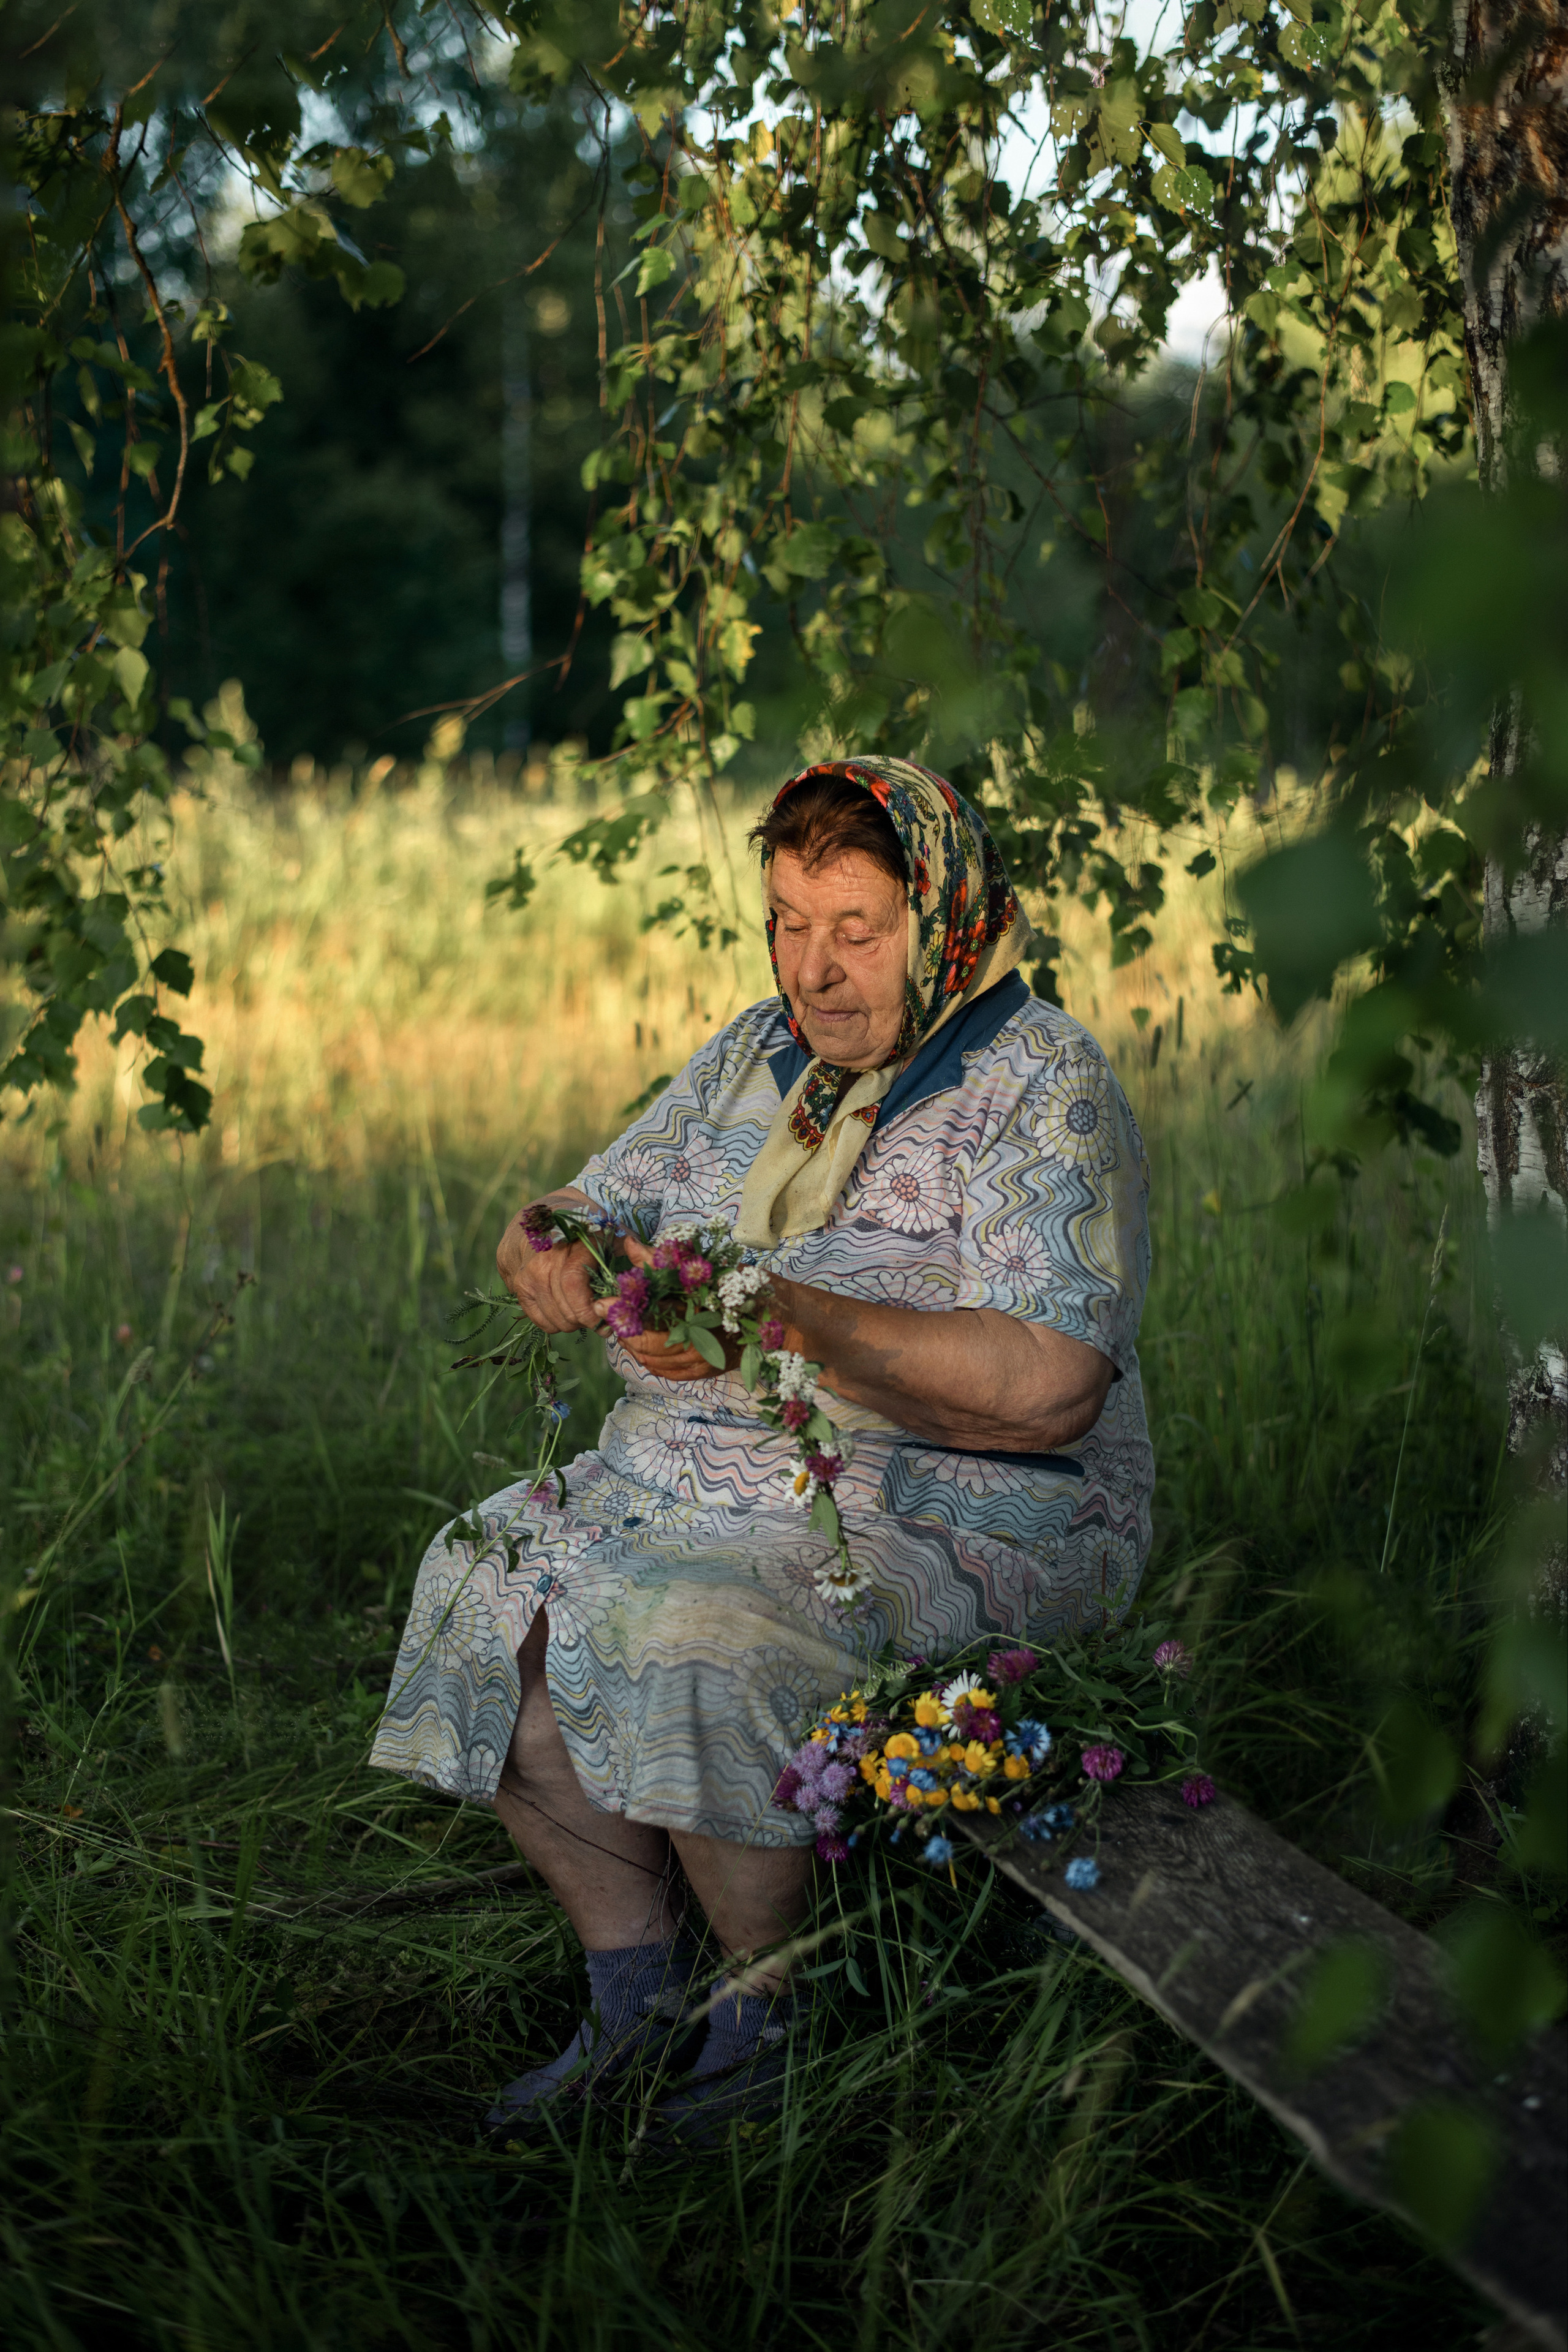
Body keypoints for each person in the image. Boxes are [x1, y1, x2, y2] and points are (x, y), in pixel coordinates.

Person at [371, 755, 1153, 2139]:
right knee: (481, 1582)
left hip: (955, 1500)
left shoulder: (1042, 1082)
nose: (813, 967)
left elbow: (1049, 1387)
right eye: (788, 921)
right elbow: (585, 1199)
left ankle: (768, 2016)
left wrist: (790, 1321)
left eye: (857, 930)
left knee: (691, 1630)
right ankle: (636, 1992)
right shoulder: (758, 1052)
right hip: (693, 1469)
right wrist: (548, 1240)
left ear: (949, 920)